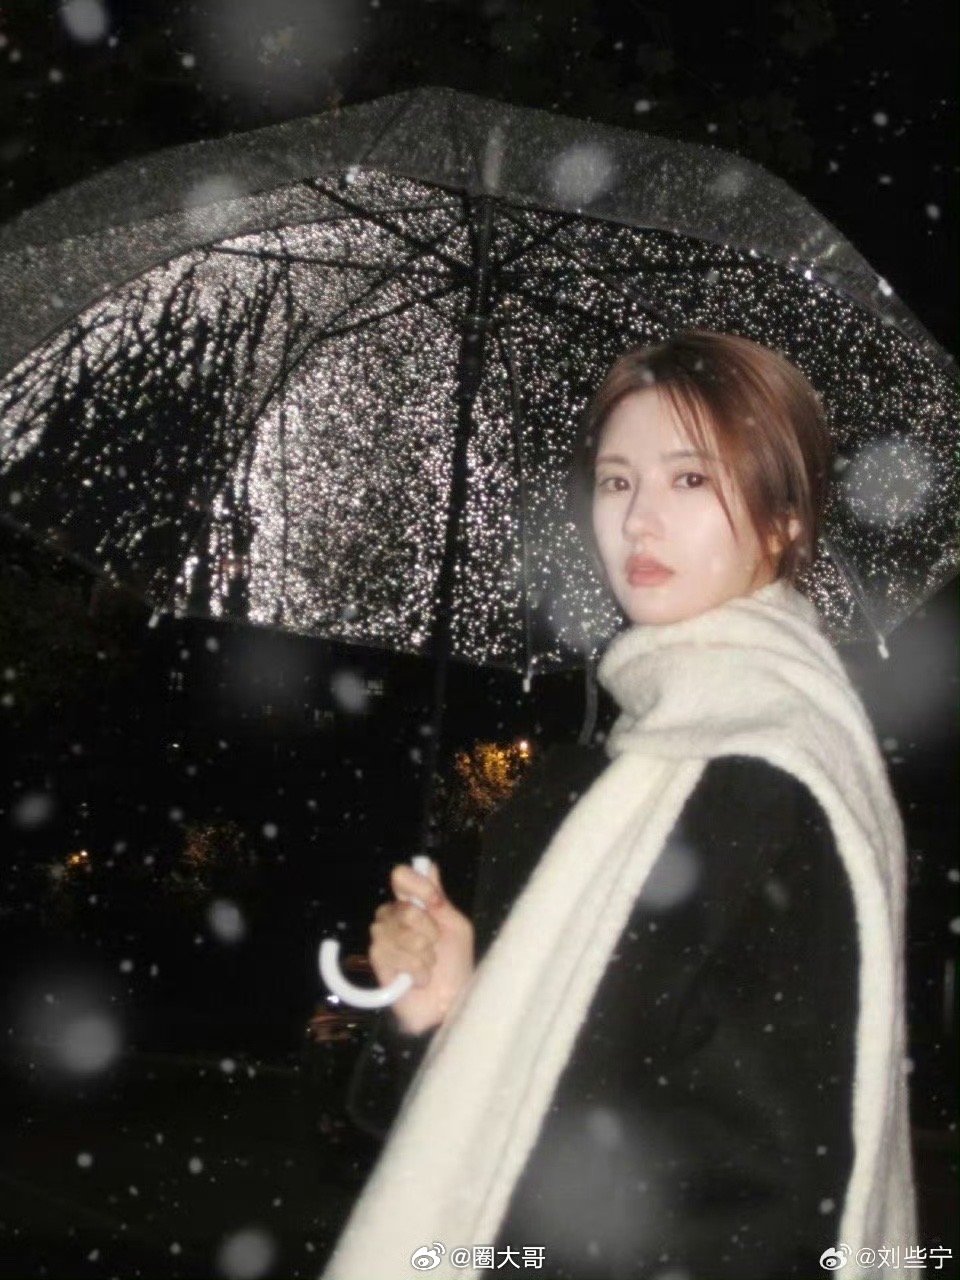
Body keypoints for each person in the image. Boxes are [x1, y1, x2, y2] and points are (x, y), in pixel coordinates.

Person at [323, 331, 916, 1280]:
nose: (639, 519)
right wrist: (447, 1010)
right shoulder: (634, 773)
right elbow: (554, 1099)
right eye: (615, 481)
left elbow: (768, 1198)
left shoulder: (756, 781)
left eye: (690, 479)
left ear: (783, 523)